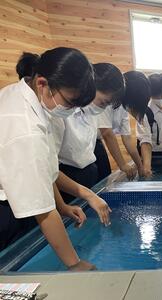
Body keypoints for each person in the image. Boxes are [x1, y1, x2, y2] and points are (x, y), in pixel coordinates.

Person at [0, 47, 96, 270]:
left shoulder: (29, 96)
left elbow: (43, 170)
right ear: (43, 83)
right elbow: (41, 209)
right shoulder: (24, 128)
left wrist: (62, 205)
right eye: (70, 102)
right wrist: (75, 264)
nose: (71, 111)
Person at [51, 63, 132, 205]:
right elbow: (50, 169)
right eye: (103, 102)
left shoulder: (91, 112)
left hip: (88, 172)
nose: (103, 108)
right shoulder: (62, 113)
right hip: (66, 179)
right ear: (90, 87)